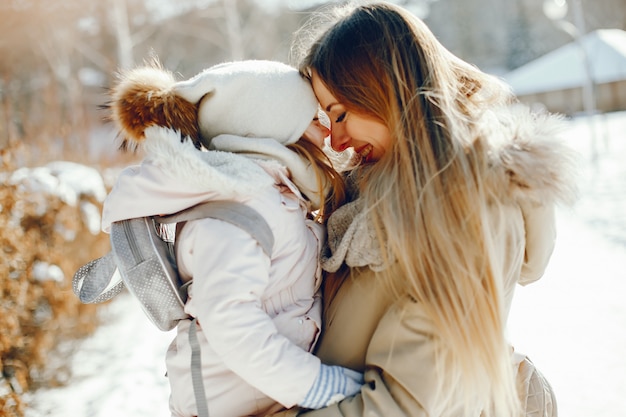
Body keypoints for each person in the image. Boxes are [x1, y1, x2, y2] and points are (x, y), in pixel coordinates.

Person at [271, 2, 578, 416]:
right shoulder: (371, 202)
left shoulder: (461, 206)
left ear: (386, 89)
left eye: (340, 114)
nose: (336, 142)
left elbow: (403, 404)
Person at [100, 60, 364, 417]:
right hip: (233, 404)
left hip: (259, 395)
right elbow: (227, 316)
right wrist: (313, 383)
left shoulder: (274, 197)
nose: (327, 134)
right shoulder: (244, 206)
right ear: (273, 128)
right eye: (314, 119)